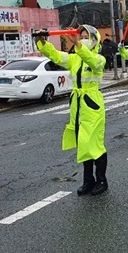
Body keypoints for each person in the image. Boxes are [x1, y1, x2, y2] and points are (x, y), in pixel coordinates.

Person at [35, 24, 108, 195]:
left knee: (94, 144)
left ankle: (102, 181)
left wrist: (78, 45)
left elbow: (90, 59)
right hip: (77, 105)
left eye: (85, 36)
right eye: (80, 35)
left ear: (94, 40)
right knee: (82, 143)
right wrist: (43, 42)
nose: (82, 38)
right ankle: (88, 181)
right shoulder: (74, 58)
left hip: (92, 104)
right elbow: (56, 56)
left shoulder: (99, 58)